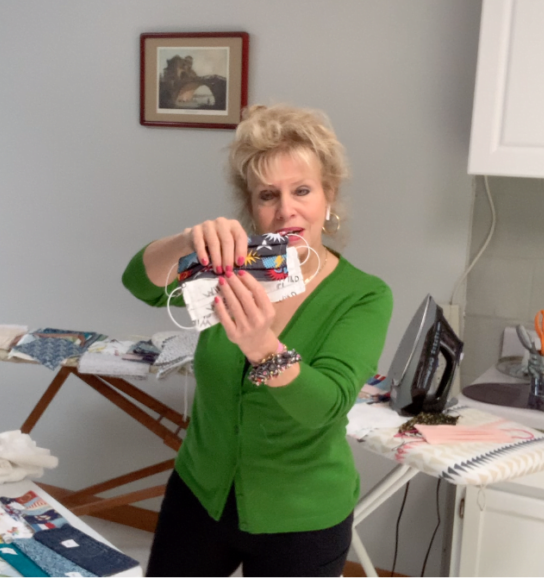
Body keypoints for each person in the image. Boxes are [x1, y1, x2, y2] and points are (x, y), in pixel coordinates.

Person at [122, 104, 393, 577]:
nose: (286, 208)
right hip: (199, 496)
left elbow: (325, 407)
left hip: (302, 517)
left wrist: (262, 347)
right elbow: (140, 284)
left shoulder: (364, 295)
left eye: (302, 190)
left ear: (328, 197)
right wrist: (189, 240)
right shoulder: (230, 266)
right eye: (268, 195)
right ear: (252, 207)